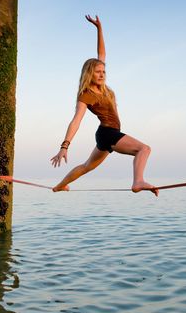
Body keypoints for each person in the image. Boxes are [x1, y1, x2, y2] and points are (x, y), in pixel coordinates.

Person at [50, 15, 159, 196]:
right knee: (144, 149)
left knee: (86, 166)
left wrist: (99, 28)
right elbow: (76, 121)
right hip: (108, 134)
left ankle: (59, 186)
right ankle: (138, 181)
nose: (102, 74)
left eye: (103, 71)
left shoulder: (104, 88)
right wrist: (64, 146)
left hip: (106, 135)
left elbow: (102, 54)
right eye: (97, 72)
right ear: (89, 74)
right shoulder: (86, 94)